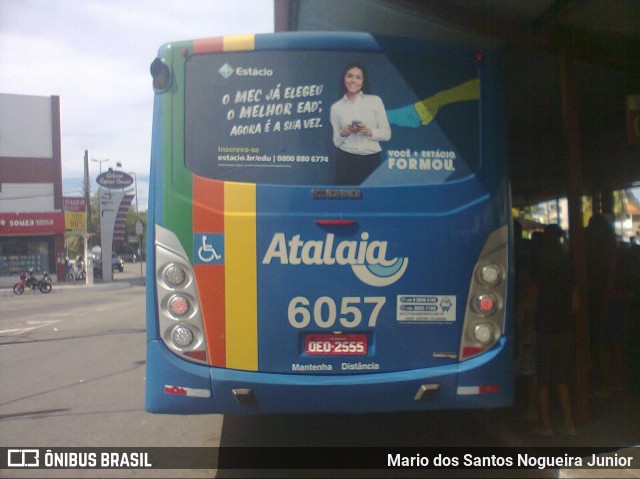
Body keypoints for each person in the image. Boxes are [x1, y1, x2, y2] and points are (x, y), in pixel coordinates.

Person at [532, 224, 577, 436]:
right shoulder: (569, 274)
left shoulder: (541, 274)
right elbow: (575, 305)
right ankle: (569, 424)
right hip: (565, 330)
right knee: (562, 379)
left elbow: (529, 302)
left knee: (542, 379)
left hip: (544, 330)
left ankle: (547, 425)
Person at [330, 62, 391, 185]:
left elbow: (387, 134)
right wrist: (344, 132)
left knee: (372, 200)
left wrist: (370, 132)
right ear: (344, 78)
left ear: (363, 82)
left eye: (358, 77)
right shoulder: (336, 107)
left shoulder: (375, 101)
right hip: (346, 161)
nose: (353, 80)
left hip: (371, 160)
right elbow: (336, 142)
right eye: (350, 76)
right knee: (345, 202)